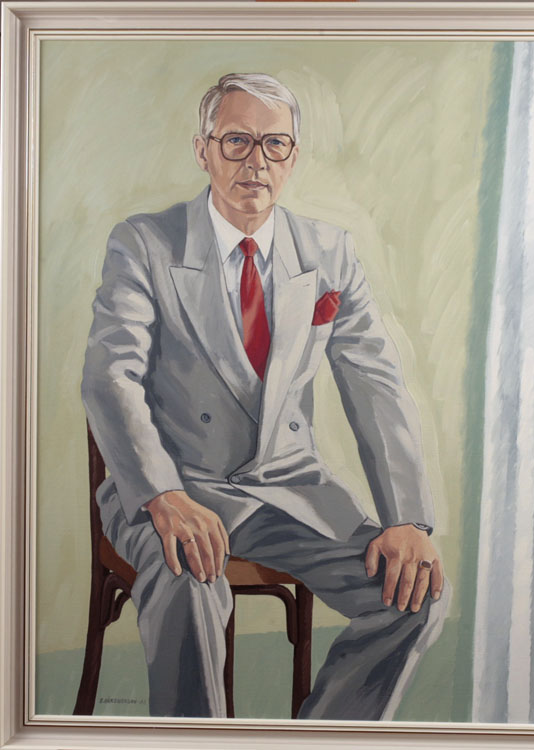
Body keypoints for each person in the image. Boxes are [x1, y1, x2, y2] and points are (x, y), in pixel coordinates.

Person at [82, 72, 450, 720]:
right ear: (203, 150)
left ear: (293, 157)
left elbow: (376, 380)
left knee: (415, 597)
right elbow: (110, 377)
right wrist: (163, 495)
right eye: (237, 141)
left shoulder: (330, 252)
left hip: (288, 490)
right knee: (189, 585)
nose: (256, 162)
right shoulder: (145, 243)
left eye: (274, 144)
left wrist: (409, 519)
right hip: (173, 486)